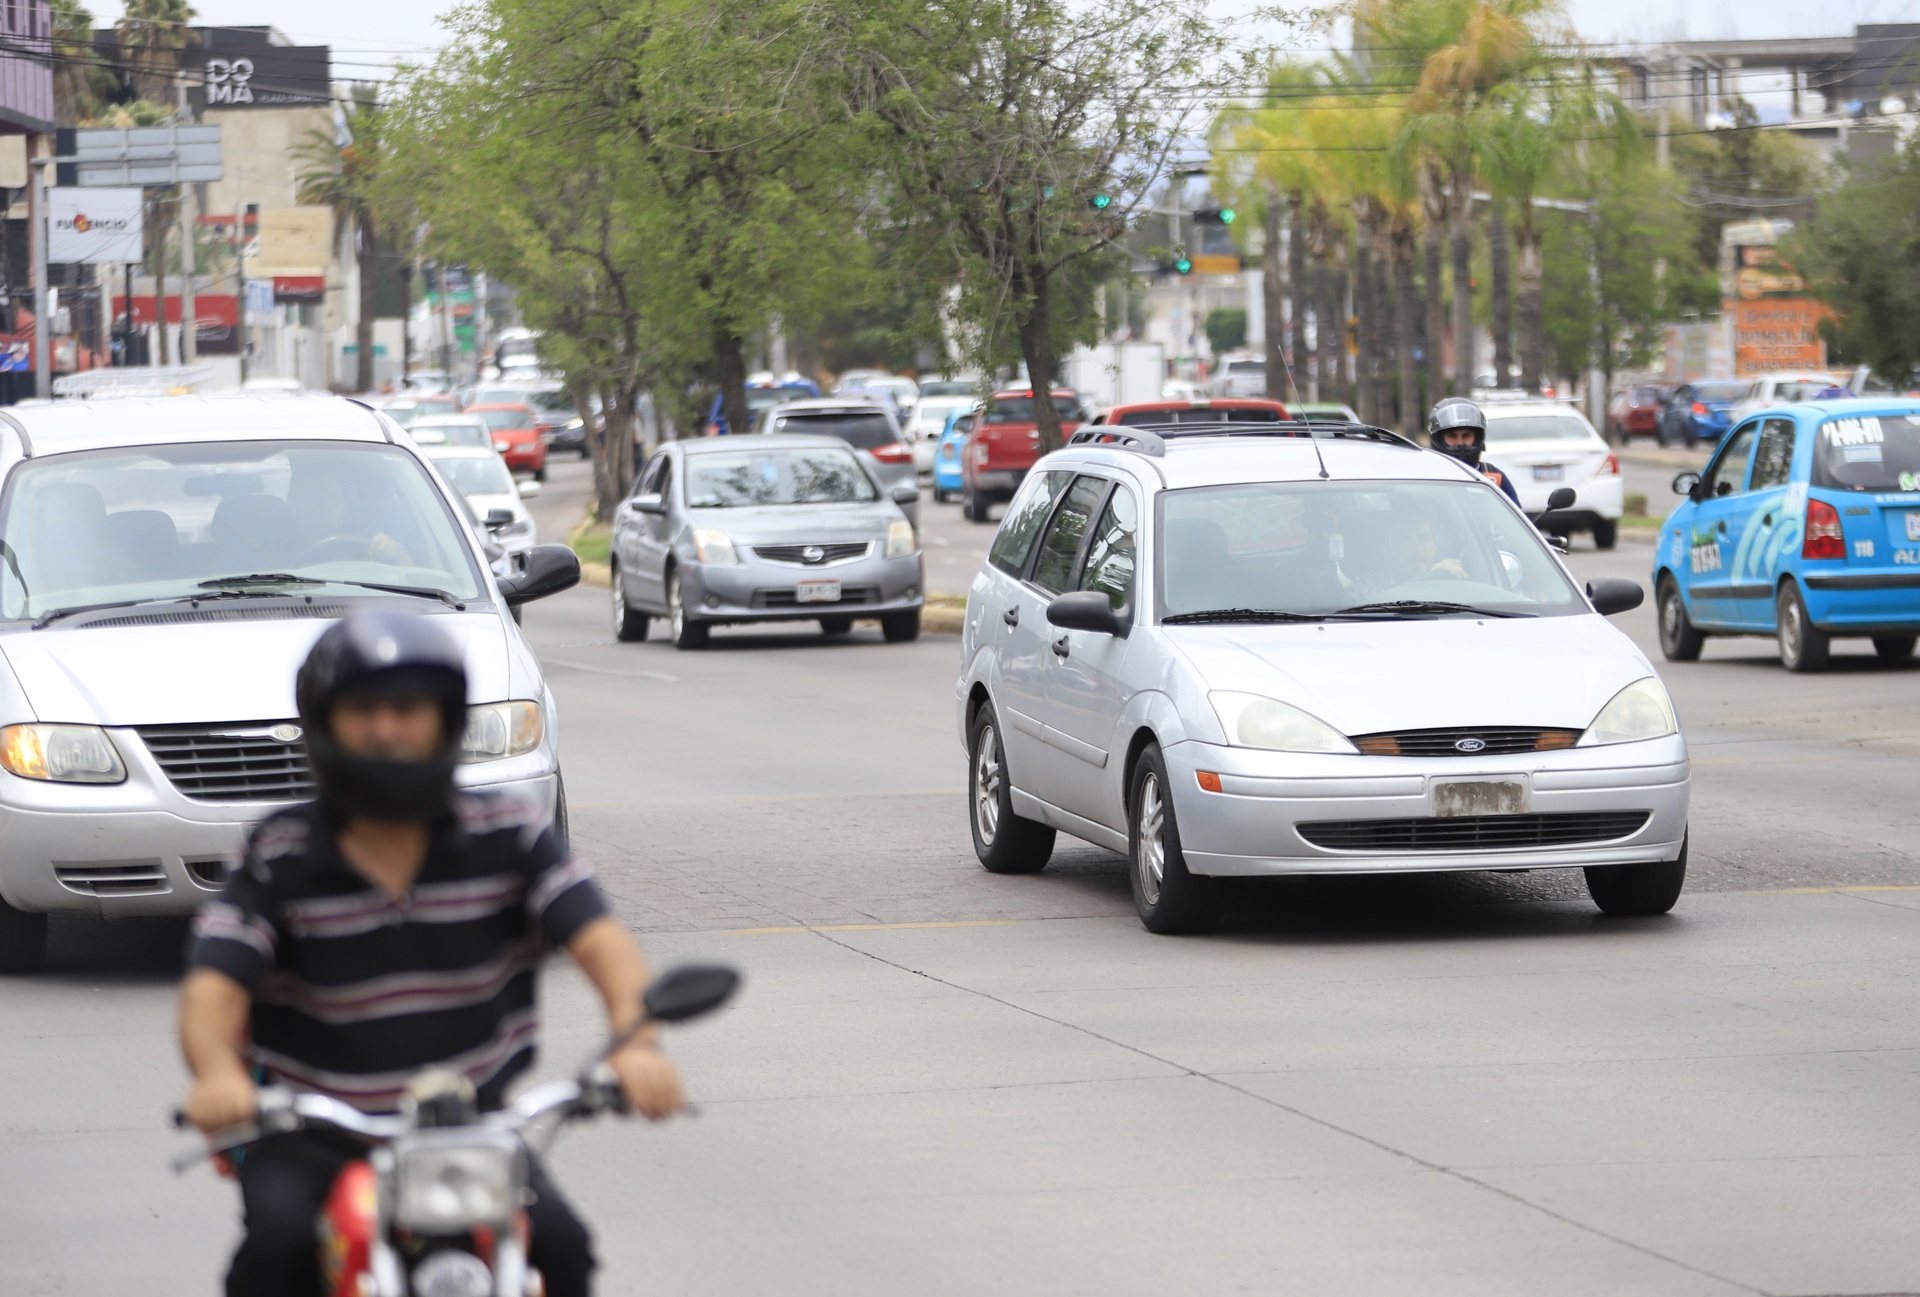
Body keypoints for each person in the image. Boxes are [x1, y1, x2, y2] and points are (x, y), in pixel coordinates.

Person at [178, 610, 683, 1297]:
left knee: (561, 1246)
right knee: (279, 1246)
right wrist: (215, 1073)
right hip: (315, 1132)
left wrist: (638, 1043)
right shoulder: (280, 850)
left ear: (444, 719)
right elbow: (216, 982)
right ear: (325, 722)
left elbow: (603, 943)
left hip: (469, 1128)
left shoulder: (508, 832)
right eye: (364, 709)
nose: (387, 729)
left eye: (408, 707)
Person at [1427, 397, 1520, 506]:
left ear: (1478, 438)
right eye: (1452, 436)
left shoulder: (1494, 477)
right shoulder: (1426, 477)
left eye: (1466, 436)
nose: (1460, 443)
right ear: (1438, 439)